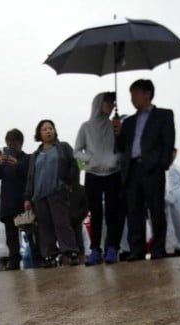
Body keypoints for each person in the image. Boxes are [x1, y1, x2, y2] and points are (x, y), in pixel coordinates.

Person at [117, 79, 176, 260]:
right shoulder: (128, 122)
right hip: (132, 170)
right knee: (134, 211)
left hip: (152, 169)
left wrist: (161, 164)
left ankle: (158, 249)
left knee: (156, 210)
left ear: (147, 94)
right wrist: (117, 130)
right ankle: (137, 249)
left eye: (135, 93)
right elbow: (121, 147)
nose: (132, 98)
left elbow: (168, 142)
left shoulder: (164, 115)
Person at [74, 91, 124, 265]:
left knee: (113, 212)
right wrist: (90, 159)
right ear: (99, 104)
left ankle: (112, 248)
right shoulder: (86, 127)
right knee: (95, 213)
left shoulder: (115, 125)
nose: (110, 106)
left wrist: (118, 132)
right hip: (93, 174)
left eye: (112, 103)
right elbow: (77, 151)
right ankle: (95, 249)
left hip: (113, 173)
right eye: (107, 102)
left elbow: (122, 147)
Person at [24, 119, 81, 267]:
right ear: (39, 134)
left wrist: (68, 182)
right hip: (39, 196)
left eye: (51, 128)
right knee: (44, 227)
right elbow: (31, 177)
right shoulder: (35, 154)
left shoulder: (63, 147)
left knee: (62, 223)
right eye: (44, 129)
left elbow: (74, 165)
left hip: (58, 192)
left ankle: (69, 251)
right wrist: (27, 198)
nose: (48, 131)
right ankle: (49, 255)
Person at [0, 129, 31, 270]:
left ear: (20, 143)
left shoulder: (27, 159)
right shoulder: (4, 160)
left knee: (30, 233)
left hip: (23, 202)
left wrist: (18, 165)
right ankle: (14, 260)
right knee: (11, 236)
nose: (10, 146)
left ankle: (36, 257)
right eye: (8, 143)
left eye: (13, 143)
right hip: (8, 203)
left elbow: (30, 177)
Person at [165, 149, 180, 256]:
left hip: (176, 204)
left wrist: (170, 199)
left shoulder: (177, 170)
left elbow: (179, 187)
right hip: (164, 205)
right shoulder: (162, 170)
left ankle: (178, 248)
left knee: (177, 227)